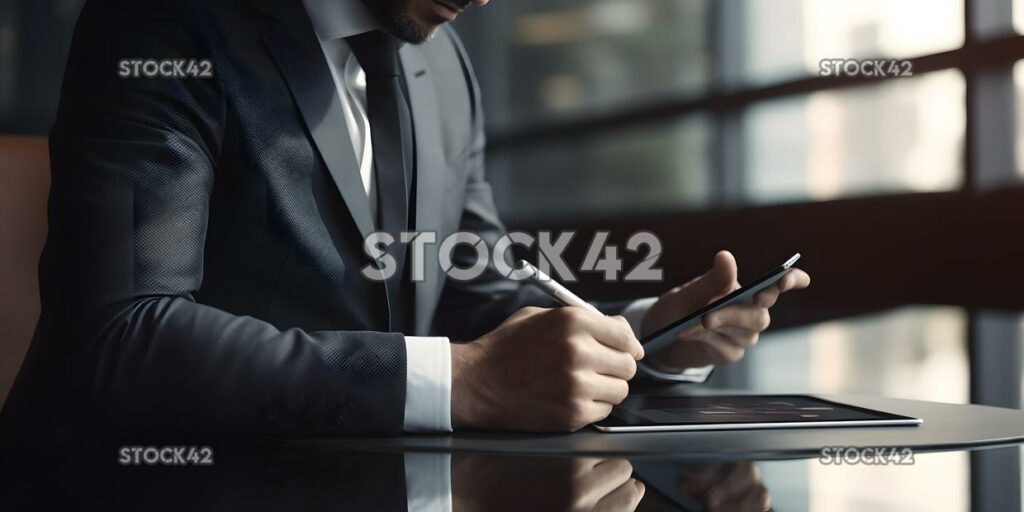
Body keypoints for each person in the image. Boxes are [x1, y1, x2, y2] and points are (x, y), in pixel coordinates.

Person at [0, 0, 809, 440]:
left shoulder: (441, 62)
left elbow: (469, 288)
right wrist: (457, 381)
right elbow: (120, 340)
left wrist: (641, 337)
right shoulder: (162, 23)